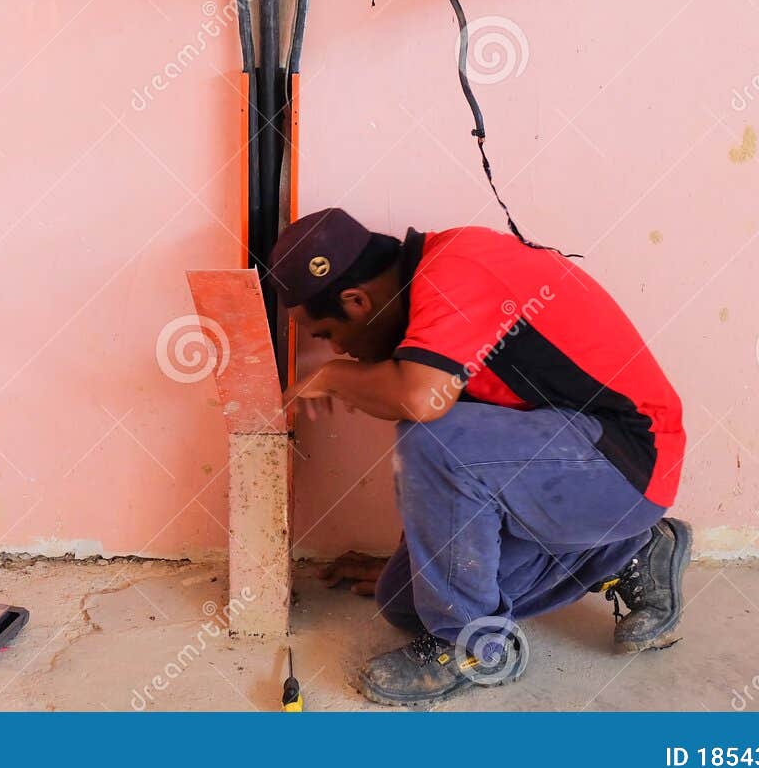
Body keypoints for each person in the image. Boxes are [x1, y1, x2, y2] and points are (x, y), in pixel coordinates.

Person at [270, 208, 690, 707]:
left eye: (325, 335)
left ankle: (470, 647)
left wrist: (335, 374)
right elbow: (463, 467)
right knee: (404, 603)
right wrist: (425, 564)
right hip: (568, 466)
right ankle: (631, 550)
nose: (334, 349)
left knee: (431, 435)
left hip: (626, 461)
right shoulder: (429, 314)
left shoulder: (455, 267)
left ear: (356, 301)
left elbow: (424, 405)